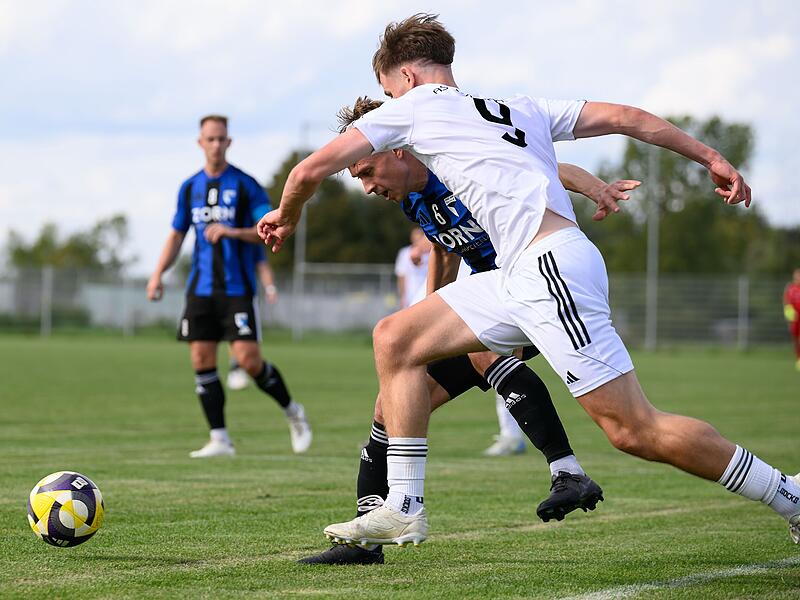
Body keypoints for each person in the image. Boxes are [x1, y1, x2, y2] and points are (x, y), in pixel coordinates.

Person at [259, 14, 800, 549]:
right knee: (395, 338)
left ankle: (789, 495)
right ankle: (404, 506)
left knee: (634, 430)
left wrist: (286, 215)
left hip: (549, 268)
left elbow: (308, 171)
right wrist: (709, 156)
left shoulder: (415, 108)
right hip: (518, 273)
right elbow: (628, 117)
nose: (390, 103)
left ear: (405, 78)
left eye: (387, 91)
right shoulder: (517, 109)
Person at [298, 97, 639, 565]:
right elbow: (445, 251)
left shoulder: (455, 164)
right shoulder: (415, 201)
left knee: (485, 356)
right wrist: (426, 329)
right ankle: (366, 542)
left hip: (532, 290)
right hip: (485, 303)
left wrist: (597, 187)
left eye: (367, 170)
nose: (368, 186)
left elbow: (551, 169)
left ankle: (566, 470)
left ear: (395, 147)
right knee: (390, 406)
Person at [147, 114, 312, 457]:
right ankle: (220, 438)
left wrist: (231, 231)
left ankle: (293, 412)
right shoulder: (189, 187)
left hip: (237, 288)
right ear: (200, 143)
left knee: (249, 361)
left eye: (222, 139)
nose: (216, 145)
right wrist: (158, 273)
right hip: (200, 289)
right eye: (210, 139)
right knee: (201, 358)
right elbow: (177, 234)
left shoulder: (246, 184)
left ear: (229, 142)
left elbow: (268, 227)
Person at [227, 253, 279, 390]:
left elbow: (262, 264)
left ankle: (241, 368)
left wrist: (270, 288)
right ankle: (236, 368)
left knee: (245, 337)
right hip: (211, 294)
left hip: (242, 295)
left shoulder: (249, 236)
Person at [395, 227, 431, 309]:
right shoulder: (404, 253)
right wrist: (402, 296)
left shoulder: (431, 253)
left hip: (426, 294)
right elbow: (401, 276)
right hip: (410, 295)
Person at [784, 268, 800, 371]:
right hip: (795, 319)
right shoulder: (790, 288)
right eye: (797, 275)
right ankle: (798, 359)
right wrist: (788, 312)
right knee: (795, 340)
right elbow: (786, 302)